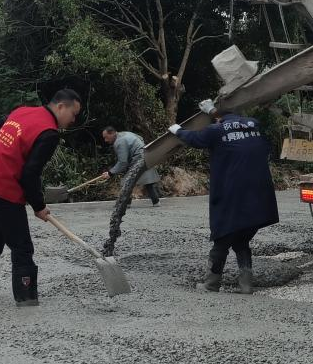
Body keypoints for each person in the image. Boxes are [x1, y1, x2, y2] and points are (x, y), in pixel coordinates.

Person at [0, 89, 82, 306]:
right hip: (2, 191)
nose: (73, 120)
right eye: (73, 114)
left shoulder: (22, 111)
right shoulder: (49, 133)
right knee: (22, 247)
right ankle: (26, 299)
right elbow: (30, 174)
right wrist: (39, 206)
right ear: (61, 106)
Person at [169, 102, 278, 294]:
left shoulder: (216, 130)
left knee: (222, 238)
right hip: (258, 195)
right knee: (242, 240)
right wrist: (214, 111)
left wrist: (178, 130)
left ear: (218, 116)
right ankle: (246, 285)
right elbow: (232, 123)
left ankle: (211, 284)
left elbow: (195, 138)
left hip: (232, 194)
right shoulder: (253, 125)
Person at [100, 126, 162, 205]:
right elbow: (140, 138)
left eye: (106, 137)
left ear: (112, 133)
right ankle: (156, 202)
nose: (105, 140)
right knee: (147, 181)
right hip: (146, 155)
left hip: (138, 159)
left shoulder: (119, 142)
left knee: (127, 182)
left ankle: (125, 203)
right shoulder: (125, 133)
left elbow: (123, 162)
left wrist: (110, 173)